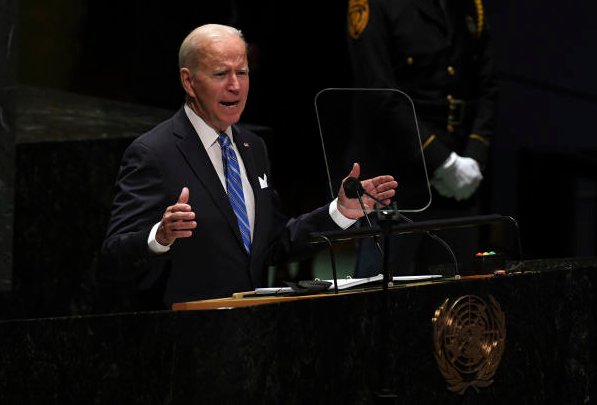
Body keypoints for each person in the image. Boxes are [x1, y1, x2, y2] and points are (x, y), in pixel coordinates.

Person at [99, 24, 398, 309]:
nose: (235, 85)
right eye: (220, 74)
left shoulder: (253, 147)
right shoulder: (153, 153)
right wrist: (159, 236)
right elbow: (113, 256)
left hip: (249, 335)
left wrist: (341, 212)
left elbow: (274, 243)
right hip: (182, 337)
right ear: (188, 81)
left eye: (242, 72)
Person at [346, 0, 498, 277]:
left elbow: (487, 86)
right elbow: (378, 91)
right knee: (379, 296)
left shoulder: (469, 6)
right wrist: (441, 161)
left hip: (458, 180)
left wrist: (473, 156)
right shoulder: (376, 5)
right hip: (395, 176)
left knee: (458, 300)